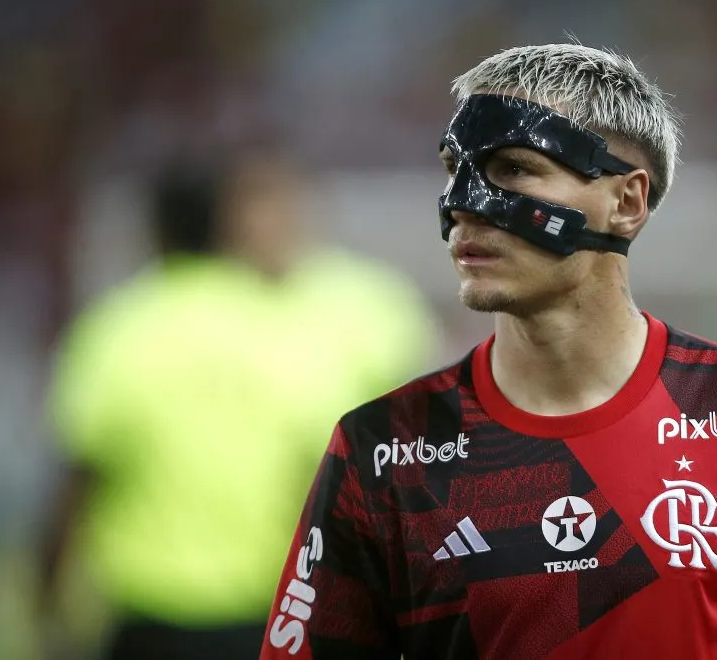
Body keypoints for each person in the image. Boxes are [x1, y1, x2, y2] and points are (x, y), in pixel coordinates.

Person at [260, 44, 717, 660]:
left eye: (513, 169)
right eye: (455, 169)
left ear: (627, 202)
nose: (462, 202)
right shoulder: (382, 449)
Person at [39, 150, 437, 660]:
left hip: (148, 616)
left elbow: (77, 477)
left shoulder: (117, 326)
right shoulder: (284, 327)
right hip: (270, 604)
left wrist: (47, 605)